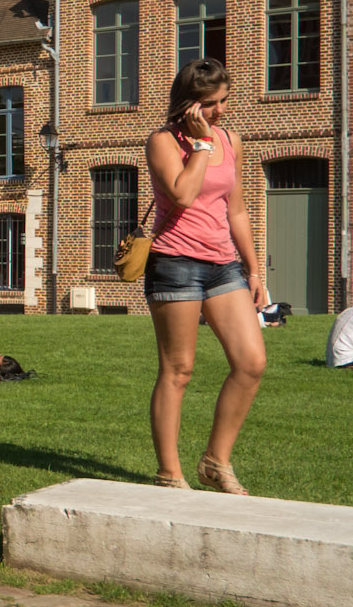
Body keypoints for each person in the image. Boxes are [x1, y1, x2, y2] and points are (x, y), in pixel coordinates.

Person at [144, 59, 266, 496]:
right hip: (174, 262)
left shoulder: (230, 138)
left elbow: (236, 209)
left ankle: (216, 460)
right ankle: (169, 473)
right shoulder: (162, 141)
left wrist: (254, 270)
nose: (219, 111)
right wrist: (199, 146)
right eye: (210, 104)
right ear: (189, 104)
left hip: (223, 264)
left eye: (223, 101)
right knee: (178, 370)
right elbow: (182, 193)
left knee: (251, 362)